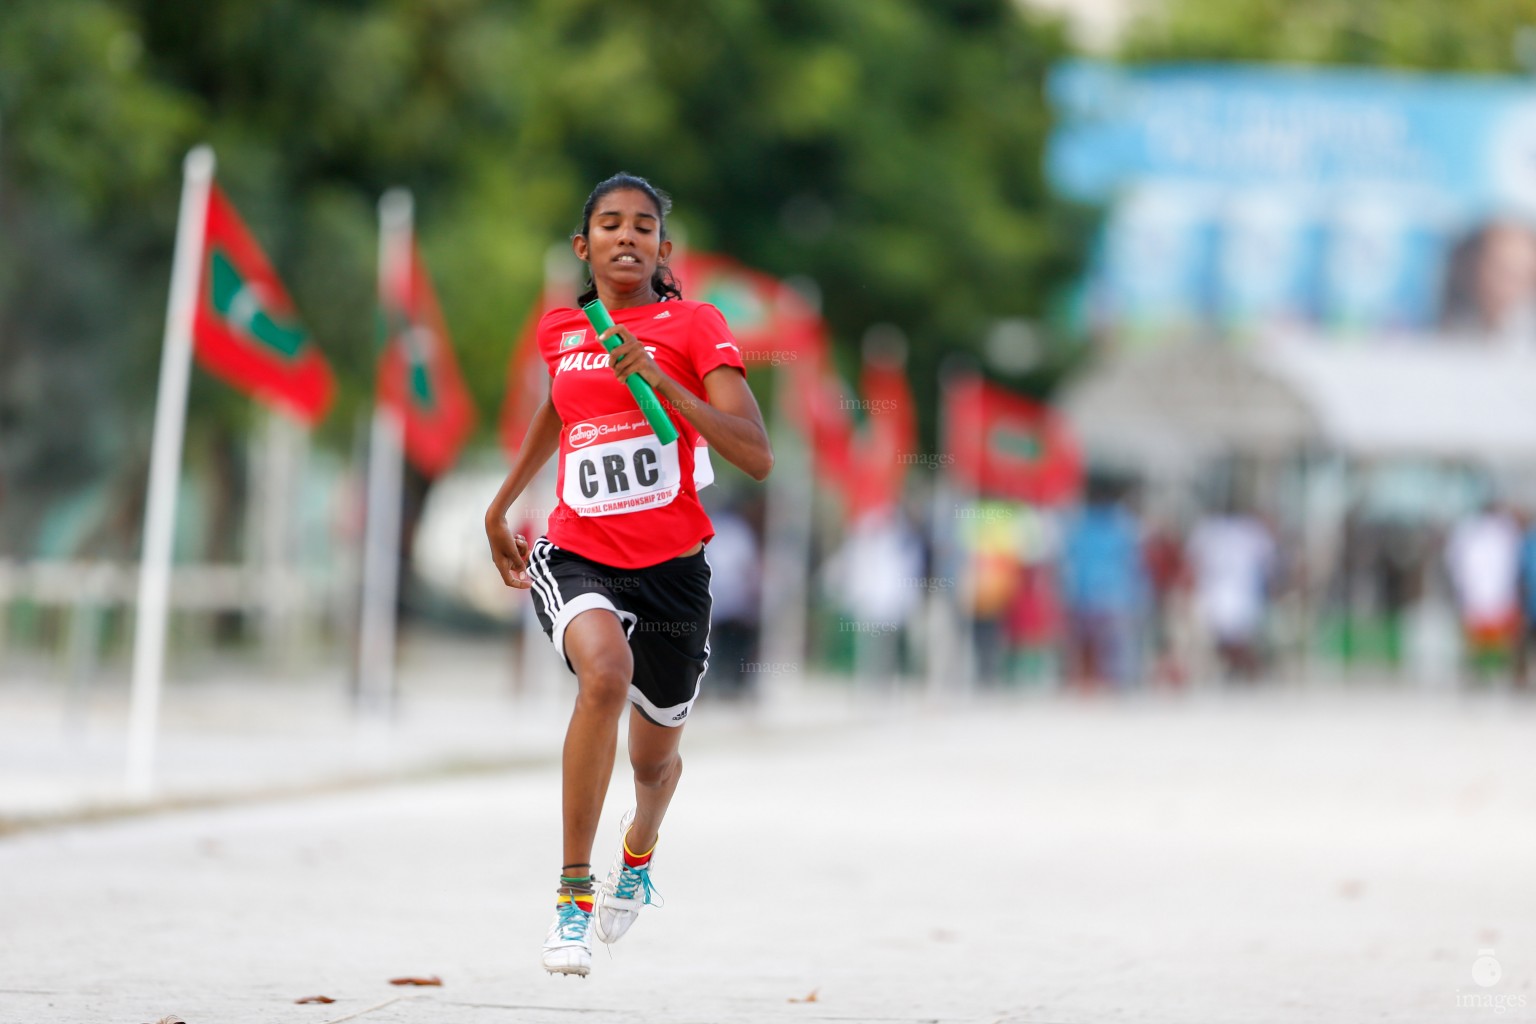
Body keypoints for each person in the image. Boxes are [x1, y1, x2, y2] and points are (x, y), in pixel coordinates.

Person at [484, 173, 773, 977]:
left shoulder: (696, 324)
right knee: (602, 676)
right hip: (578, 552)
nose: (626, 236)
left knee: (654, 764)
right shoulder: (563, 329)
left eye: (643, 226)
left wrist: (659, 376)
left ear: (662, 248)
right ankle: (572, 899)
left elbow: (755, 453)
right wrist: (501, 503)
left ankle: (638, 854)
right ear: (584, 246)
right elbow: (561, 406)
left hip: (675, 573)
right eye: (609, 224)